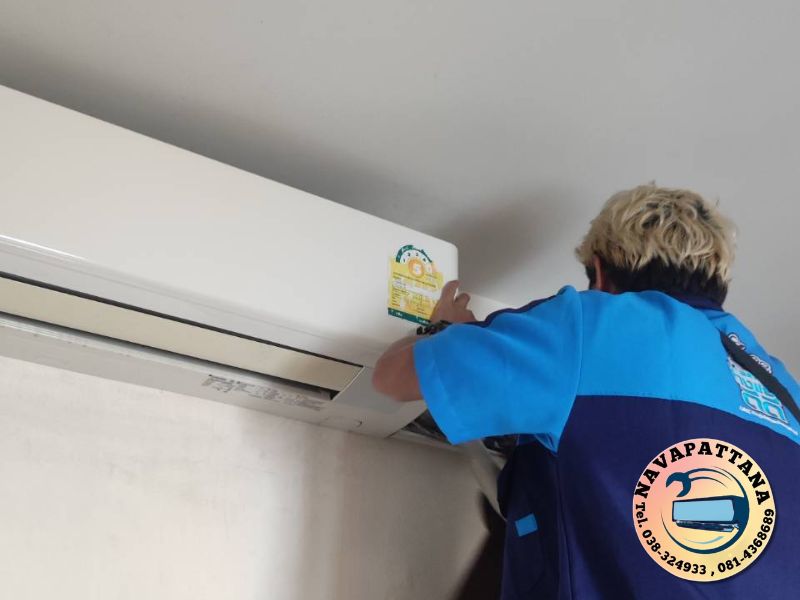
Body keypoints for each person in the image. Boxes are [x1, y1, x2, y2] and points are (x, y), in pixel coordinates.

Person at [373, 185, 800, 599]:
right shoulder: (784, 389)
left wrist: (443, 330)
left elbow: (392, 377)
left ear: (599, 273)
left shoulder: (587, 327)